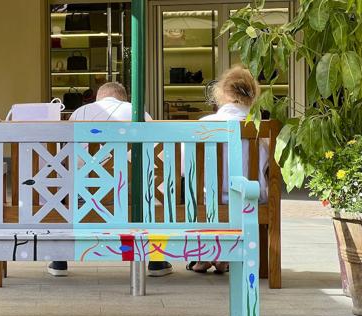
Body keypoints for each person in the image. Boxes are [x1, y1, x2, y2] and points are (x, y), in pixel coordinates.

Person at [47, 82, 174, 278]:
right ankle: (157, 260)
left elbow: (63, 158)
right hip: (134, 198)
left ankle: (59, 259)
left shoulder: (80, 113)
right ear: (123, 98)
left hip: (85, 197)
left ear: (99, 97)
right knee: (150, 183)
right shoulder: (139, 113)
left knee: (70, 177)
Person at [190, 65, 266, 273]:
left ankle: (207, 256)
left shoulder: (204, 124)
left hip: (211, 198)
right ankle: (226, 258)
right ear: (253, 95)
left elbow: (186, 170)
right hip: (250, 197)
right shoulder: (261, 127)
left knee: (204, 192)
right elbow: (267, 168)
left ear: (222, 93)